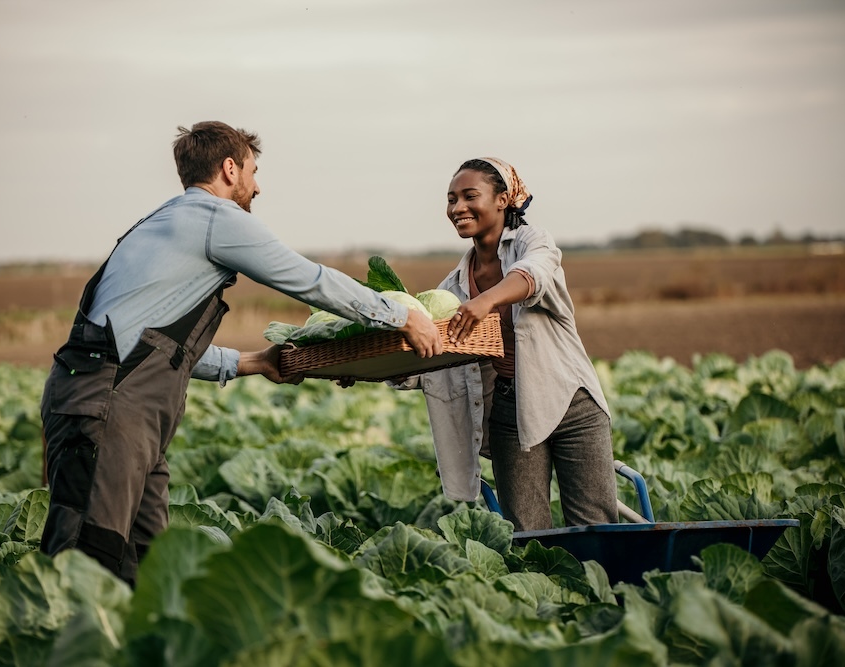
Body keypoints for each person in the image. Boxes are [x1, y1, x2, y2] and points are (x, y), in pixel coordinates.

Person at [39, 121, 444, 585]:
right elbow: (308, 279)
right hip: (108, 410)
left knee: (149, 569)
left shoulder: (164, 222)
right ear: (230, 169)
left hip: (113, 405)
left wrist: (255, 362)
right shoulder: (216, 219)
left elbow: (155, 347)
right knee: (90, 559)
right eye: (253, 170)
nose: (257, 185)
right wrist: (399, 315)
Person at [400, 157, 618, 532]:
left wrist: (488, 300)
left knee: (597, 527)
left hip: (572, 403)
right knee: (527, 532)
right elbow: (433, 355)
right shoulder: (452, 287)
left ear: (503, 199)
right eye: (451, 199)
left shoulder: (533, 242)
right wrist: (363, 371)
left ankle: (603, 590)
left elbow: (534, 273)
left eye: (470, 196)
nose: (457, 208)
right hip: (509, 410)